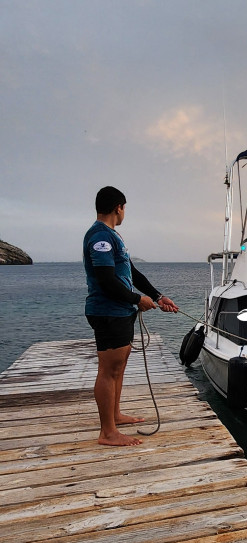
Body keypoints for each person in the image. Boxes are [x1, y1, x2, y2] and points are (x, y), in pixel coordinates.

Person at [83, 186, 179, 446]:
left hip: (121, 311)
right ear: (119, 207)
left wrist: (158, 296)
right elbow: (105, 280)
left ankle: (114, 416)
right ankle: (107, 432)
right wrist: (138, 299)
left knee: (119, 366)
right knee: (109, 369)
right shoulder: (100, 237)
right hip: (108, 311)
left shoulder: (114, 236)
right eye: (125, 208)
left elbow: (132, 273)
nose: (125, 213)